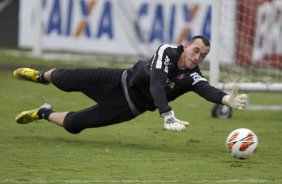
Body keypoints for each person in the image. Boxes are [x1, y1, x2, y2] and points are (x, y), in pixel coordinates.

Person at [13, 35, 247, 134]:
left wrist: (226, 99)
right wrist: (166, 113)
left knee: (74, 124)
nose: (198, 57)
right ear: (186, 46)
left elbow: (206, 89)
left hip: (128, 108)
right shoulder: (167, 51)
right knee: (64, 79)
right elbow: (156, 82)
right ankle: (40, 76)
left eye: (203, 55)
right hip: (117, 80)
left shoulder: (193, 76)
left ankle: (43, 113)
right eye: (196, 50)